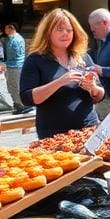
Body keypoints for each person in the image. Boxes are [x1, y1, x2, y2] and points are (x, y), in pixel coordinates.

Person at [20, 8, 104, 139]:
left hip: (89, 128)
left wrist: (93, 88)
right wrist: (60, 82)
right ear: (48, 33)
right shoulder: (35, 60)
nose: (65, 34)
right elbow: (27, 99)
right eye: (59, 29)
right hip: (54, 133)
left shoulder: (83, 57)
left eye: (69, 30)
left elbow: (100, 95)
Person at [2, 23, 27, 114]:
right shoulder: (15, 38)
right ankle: (19, 104)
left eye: (6, 29)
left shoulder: (14, 39)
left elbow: (13, 54)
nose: (5, 31)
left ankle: (21, 105)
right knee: (13, 86)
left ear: (11, 29)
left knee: (15, 86)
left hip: (15, 66)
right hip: (14, 65)